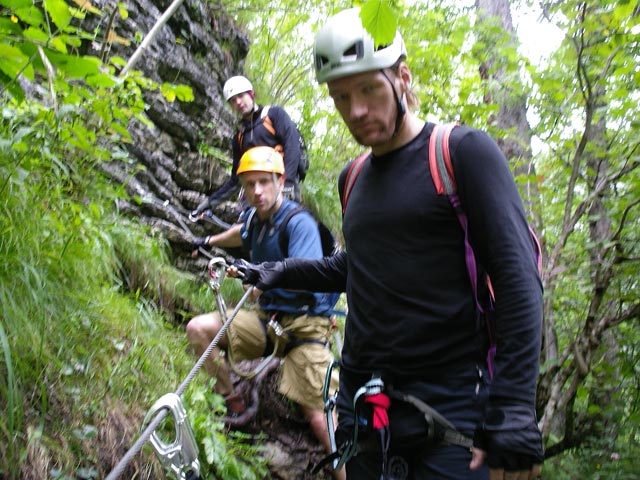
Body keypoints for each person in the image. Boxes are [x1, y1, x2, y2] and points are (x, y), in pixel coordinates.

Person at [231, 7, 544, 480]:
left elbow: (519, 281)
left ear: (402, 78)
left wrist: (516, 406)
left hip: (452, 407)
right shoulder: (352, 178)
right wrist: (284, 271)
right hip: (367, 407)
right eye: (340, 96)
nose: (356, 109)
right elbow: (359, 267)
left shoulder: (461, 153)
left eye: (369, 89)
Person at [187, 145, 345, 480]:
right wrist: (210, 241)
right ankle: (231, 401)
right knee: (200, 329)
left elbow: (309, 275)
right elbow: (240, 235)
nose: (256, 191)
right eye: (249, 184)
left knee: (318, 416)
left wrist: (264, 284)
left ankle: (349, 472)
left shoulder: (297, 223)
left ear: (280, 180)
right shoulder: (254, 220)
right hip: (268, 319)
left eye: (263, 182)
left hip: (306, 325)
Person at [191, 75, 305, 219]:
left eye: (240, 96)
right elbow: (236, 179)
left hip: (282, 186)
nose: (238, 102)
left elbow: (292, 148)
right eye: (233, 100)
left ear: (251, 94)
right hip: (256, 193)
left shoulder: (274, 115)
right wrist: (209, 202)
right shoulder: (239, 137)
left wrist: (287, 185)